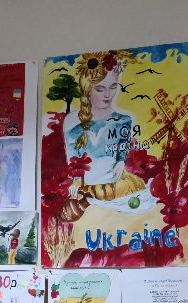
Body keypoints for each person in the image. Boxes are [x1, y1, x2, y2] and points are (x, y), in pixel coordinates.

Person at [60, 50, 147, 222]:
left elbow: (122, 148)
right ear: (87, 89)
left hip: (116, 184)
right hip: (86, 186)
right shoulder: (72, 123)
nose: (108, 95)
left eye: (113, 87)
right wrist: (76, 180)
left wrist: (121, 161)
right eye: (100, 89)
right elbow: (73, 157)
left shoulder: (124, 120)